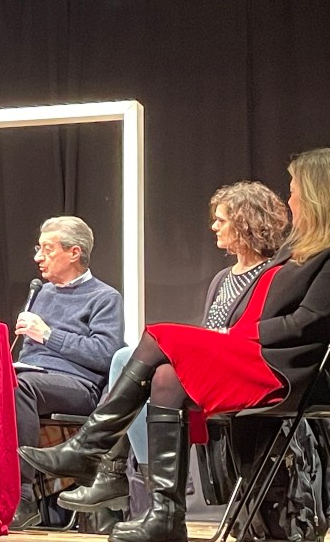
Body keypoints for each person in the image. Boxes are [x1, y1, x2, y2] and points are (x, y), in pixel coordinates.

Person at [20, 148, 330, 542]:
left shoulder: (325, 256)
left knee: (159, 334)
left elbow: (309, 323)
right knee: (165, 376)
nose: (291, 199)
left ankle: (90, 450)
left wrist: (240, 336)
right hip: (251, 353)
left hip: (277, 368)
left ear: (316, 195)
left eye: (295, 190)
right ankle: (165, 515)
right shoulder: (295, 252)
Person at [58, 182, 289, 515]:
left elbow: (257, 336)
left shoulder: (273, 275)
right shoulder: (223, 277)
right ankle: (137, 481)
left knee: (135, 359)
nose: (214, 227)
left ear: (245, 223)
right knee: (129, 362)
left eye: (221, 220)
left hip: (240, 373)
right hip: (214, 363)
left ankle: (121, 475)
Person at [10, 215, 125, 530]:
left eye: (47, 249)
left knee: (18, 387)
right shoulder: (42, 293)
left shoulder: (105, 297)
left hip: (80, 387)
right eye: (38, 249)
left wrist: (48, 335)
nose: (38, 257)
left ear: (74, 252)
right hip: (34, 378)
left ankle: (22, 498)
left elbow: (106, 355)